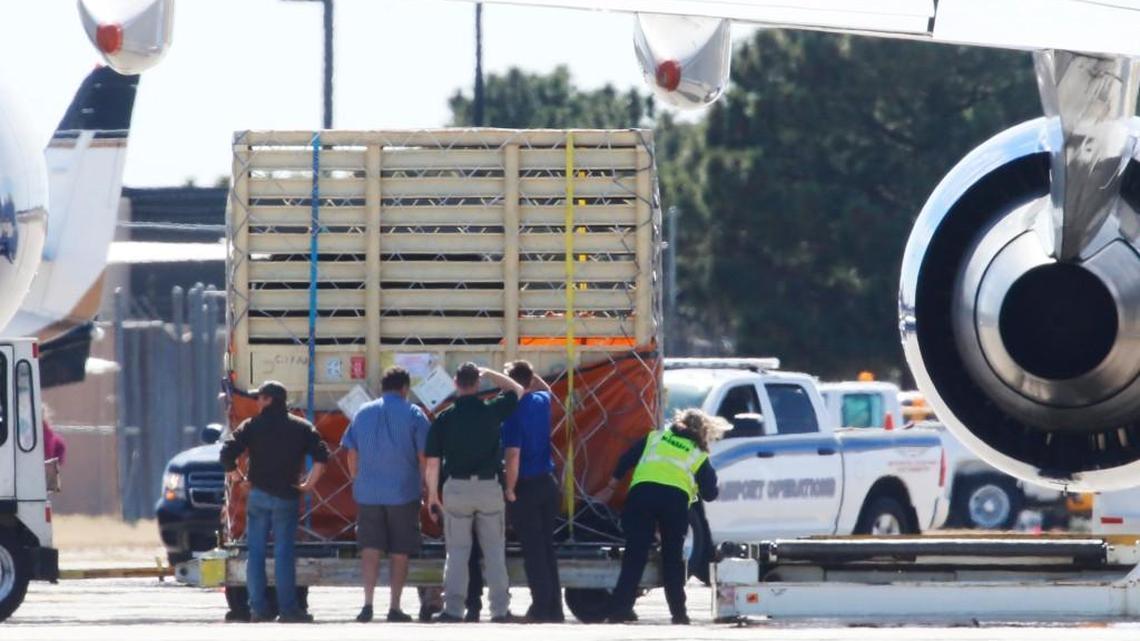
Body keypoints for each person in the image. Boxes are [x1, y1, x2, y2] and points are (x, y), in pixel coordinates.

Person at [595, 409, 727, 624]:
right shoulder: (698, 455)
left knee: (634, 555)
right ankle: (679, 614)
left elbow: (626, 459)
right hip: (673, 503)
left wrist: (611, 487)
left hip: (641, 496)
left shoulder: (654, 437)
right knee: (672, 559)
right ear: (703, 432)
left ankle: (620, 609)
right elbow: (710, 494)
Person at [220, 381, 329, 623]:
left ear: (269, 400)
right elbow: (322, 457)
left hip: (258, 495)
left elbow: (226, 453)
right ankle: (288, 610)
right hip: (287, 497)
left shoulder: (252, 426)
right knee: (283, 553)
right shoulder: (302, 427)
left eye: (260, 398)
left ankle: (258, 609)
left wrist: (238, 477)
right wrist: (308, 484)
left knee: (255, 553)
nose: (257, 402)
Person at [424, 362, 524, 623]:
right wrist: (489, 372)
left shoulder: (444, 419)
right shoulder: (492, 411)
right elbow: (517, 389)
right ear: (477, 384)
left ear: (455, 383)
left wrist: (433, 497)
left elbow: (433, 463)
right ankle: (500, 610)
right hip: (489, 487)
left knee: (457, 552)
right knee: (494, 551)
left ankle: (454, 609)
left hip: (456, 489)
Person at [341, 366, 431, 623]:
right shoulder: (414, 414)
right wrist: (426, 487)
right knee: (399, 551)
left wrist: (357, 480)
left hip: (368, 493)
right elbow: (424, 455)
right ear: (405, 388)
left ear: (382, 387)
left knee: (369, 549)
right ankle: (394, 607)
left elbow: (351, 452)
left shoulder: (363, 412)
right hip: (403, 493)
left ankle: (367, 604)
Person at [501, 360, 564, 623]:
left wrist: (510, 490)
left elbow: (513, 456)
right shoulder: (541, 401)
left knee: (533, 551)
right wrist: (527, 374)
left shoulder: (512, 413)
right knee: (547, 548)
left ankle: (540, 608)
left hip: (525, 486)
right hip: (548, 484)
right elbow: (545, 386)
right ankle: (554, 609)